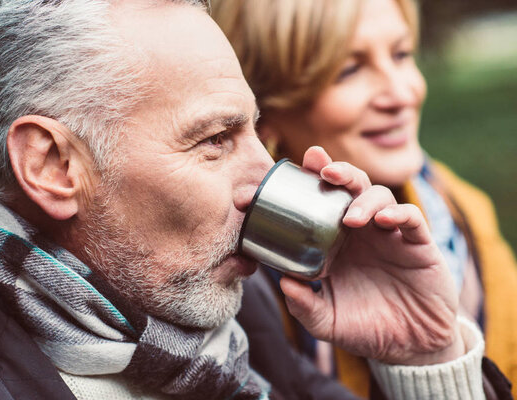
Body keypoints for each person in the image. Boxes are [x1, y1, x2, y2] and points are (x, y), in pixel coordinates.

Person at [0, 0, 510, 399]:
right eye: (216, 139)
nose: (267, 178)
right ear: (53, 166)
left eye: (255, 131)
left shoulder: (234, 317)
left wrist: (424, 358)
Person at [212, 0, 517, 397]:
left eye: (402, 54)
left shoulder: (464, 211)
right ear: (263, 109)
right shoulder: (230, 279)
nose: (401, 93)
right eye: (349, 70)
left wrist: (433, 360)